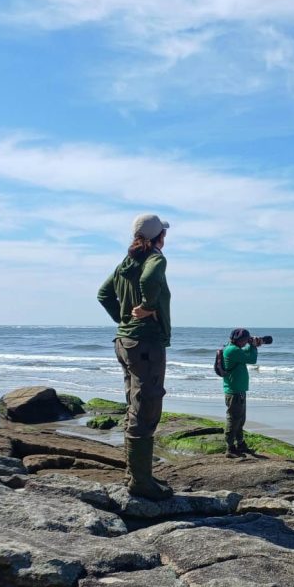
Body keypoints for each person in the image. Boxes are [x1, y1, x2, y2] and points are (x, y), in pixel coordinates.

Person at [97, 213, 173, 500]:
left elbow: (103, 294)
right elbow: (151, 276)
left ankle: (134, 475)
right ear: (159, 239)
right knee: (147, 408)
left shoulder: (124, 264)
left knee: (134, 405)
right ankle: (141, 482)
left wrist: (123, 319)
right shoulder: (155, 259)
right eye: (164, 235)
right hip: (145, 343)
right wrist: (147, 306)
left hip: (125, 341)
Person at [222, 328, 263, 457]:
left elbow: (244, 353)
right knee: (233, 420)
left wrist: (251, 345)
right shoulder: (233, 350)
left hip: (237, 390)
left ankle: (240, 444)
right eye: (246, 339)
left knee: (239, 420)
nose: (247, 342)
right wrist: (254, 346)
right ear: (239, 340)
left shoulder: (232, 348)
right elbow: (252, 359)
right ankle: (230, 448)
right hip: (234, 391)